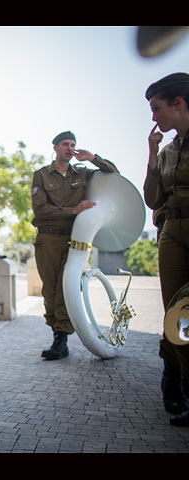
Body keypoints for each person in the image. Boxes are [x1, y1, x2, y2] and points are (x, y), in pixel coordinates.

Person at [30, 131, 119, 360]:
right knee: (49, 289)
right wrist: (73, 210)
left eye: (73, 145)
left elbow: (113, 173)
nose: (70, 148)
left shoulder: (83, 173)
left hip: (75, 238)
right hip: (48, 238)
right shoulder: (40, 176)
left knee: (65, 289)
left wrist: (93, 158)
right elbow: (40, 209)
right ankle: (57, 332)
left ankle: (61, 339)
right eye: (65, 144)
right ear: (55, 147)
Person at [143, 72, 189, 426]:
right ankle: (174, 383)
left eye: (157, 108)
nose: (154, 117)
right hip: (172, 229)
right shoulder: (169, 148)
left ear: (179, 103)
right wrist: (152, 154)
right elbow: (152, 198)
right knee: (176, 313)